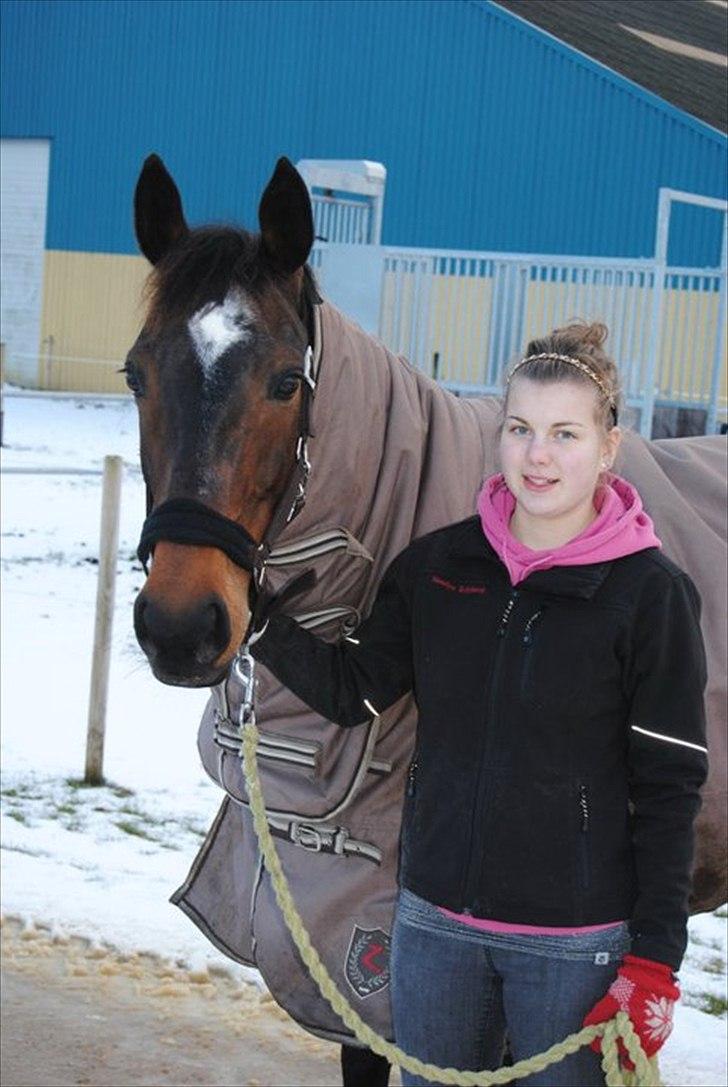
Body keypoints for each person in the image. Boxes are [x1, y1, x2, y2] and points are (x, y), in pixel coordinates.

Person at [248, 322, 708, 1086]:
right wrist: (257, 616)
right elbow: (356, 689)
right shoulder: (440, 567)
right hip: (436, 931)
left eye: (565, 433)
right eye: (520, 428)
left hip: (574, 949)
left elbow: (669, 789)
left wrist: (654, 959)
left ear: (608, 447)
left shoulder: (649, 596)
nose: (538, 454)